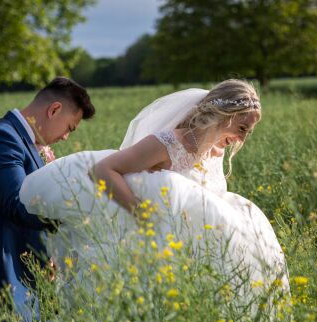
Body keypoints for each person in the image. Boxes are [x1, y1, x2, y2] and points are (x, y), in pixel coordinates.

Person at [20, 79, 289, 295]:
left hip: (195, 253)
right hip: (157, 247)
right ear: (224, 115)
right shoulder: (168, 143)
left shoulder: (215, 152)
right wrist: (143, 215)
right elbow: (103, 170)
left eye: (248, 132)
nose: (242, 137)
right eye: (242, 127)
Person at [0, 77, 96, 322]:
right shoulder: (1, 137)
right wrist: (79, 211)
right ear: (54, 110)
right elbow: (18, 204)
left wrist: (47, 252)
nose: (65, 138)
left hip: (19, 268)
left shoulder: (23, 141)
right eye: (70, 128)